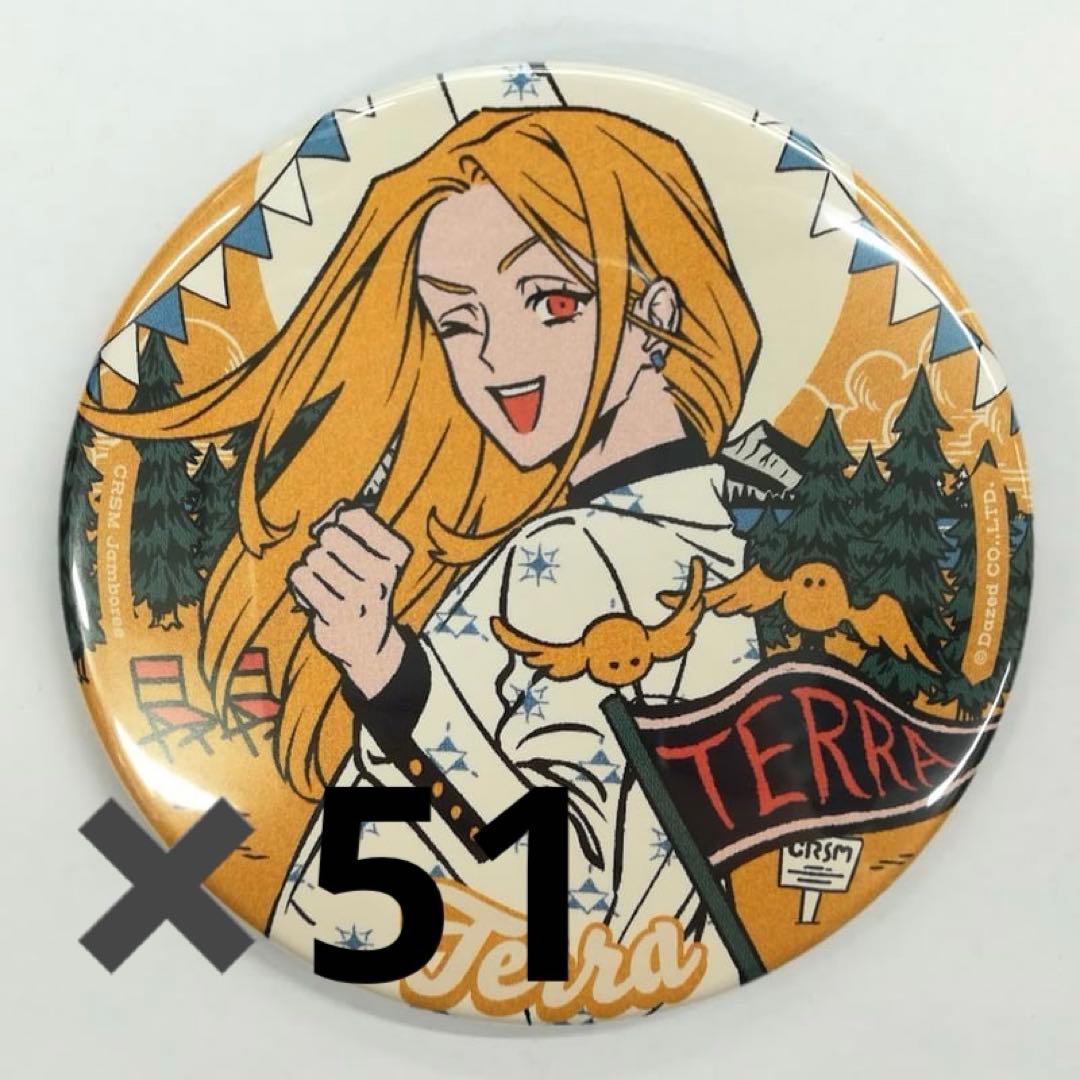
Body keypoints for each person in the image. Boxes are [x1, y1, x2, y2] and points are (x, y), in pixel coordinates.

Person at [84, 106, 762, 1000]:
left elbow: (568, 891)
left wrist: (390, 672)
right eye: (457, 322)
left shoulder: (581, 554)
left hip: (447, 995)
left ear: (655, 314)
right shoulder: (715, 557)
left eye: (552, 301)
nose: (498, 360)